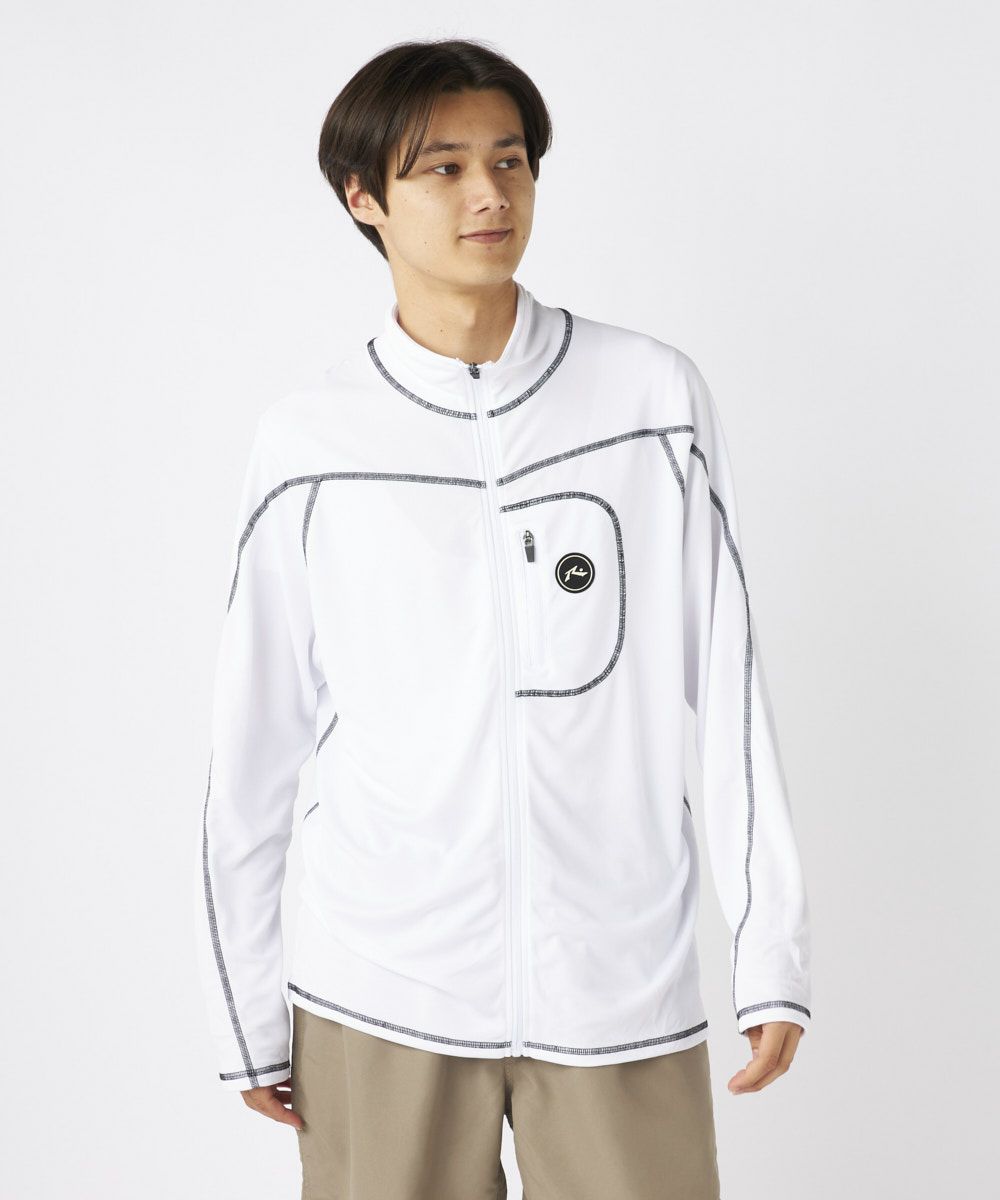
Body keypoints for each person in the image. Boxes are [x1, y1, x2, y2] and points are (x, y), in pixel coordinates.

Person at [194, 37, 812, 1200]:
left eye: (510, 160)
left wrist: (768, 950)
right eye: (443, 168)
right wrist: (243, 1005)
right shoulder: (311, 439)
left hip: (615, 979)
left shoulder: (649, 400)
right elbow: (253, 741)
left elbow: (727, 685)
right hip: (383, 983)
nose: (489, 193)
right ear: (363, 198)